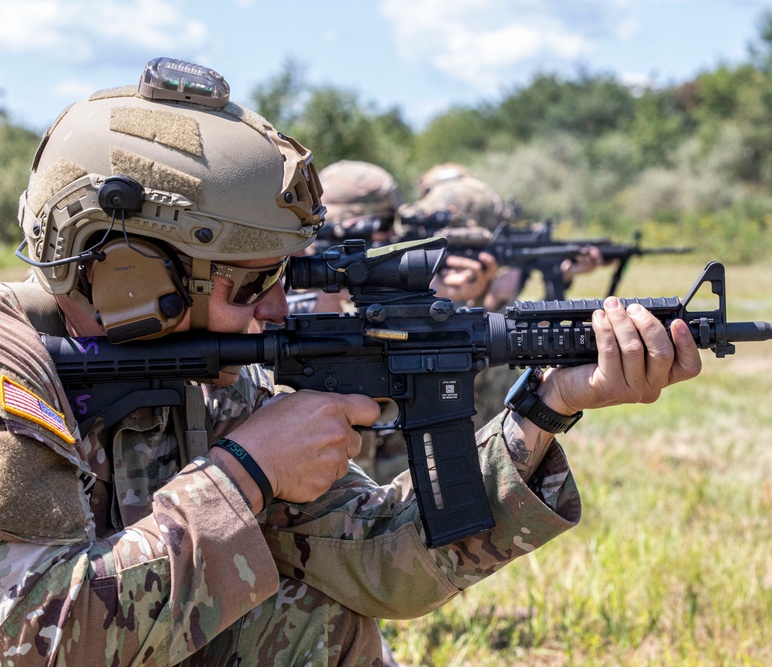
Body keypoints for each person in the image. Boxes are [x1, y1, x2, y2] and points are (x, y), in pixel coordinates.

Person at [0, 57, 701, 665]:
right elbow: (31, 641)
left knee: (312, 619)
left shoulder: (206, 375)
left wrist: (549, 404)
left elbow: (379, 565)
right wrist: (243, 474)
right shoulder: (16, 367)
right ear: (132, 275)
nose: (275, 310)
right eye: (251, 284)